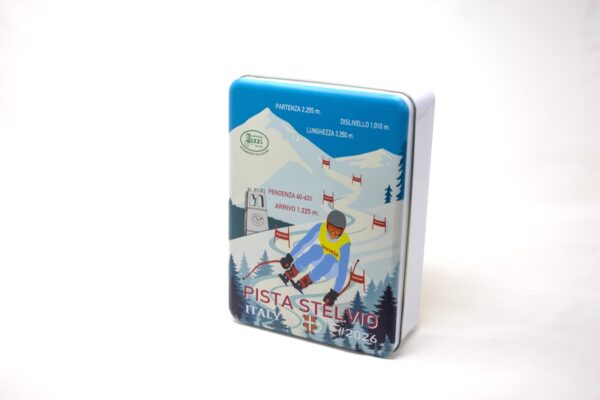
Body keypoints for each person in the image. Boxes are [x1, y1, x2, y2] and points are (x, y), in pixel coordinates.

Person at [279, 210, 351, 306]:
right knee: (316, 249)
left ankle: (304, 282)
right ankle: (291, 273)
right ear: (327, 224)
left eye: (337, 232)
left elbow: (342, 270)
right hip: (321, 258)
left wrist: (334, 293)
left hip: (333, 268)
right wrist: (290, 257)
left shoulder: (344, 243)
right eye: (330, 229)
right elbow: (305, 242)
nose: (332, 234)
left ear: (342, 230)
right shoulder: (321, 228)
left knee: (329, 258)